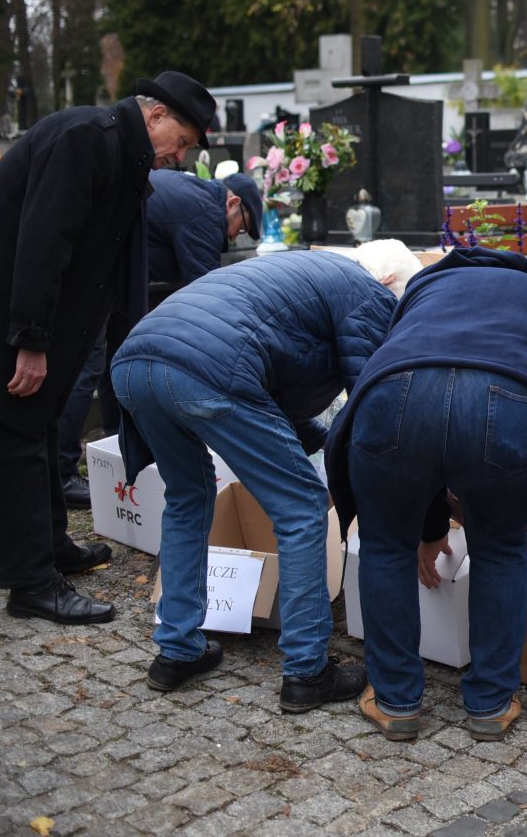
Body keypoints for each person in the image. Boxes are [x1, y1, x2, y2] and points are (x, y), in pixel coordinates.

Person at [0, 71, 218, 625]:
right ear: (156, 116)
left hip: (25, 309)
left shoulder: (122, 151)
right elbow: (43, 240)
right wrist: (31, 341)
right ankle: (30, 583)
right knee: (17, 432)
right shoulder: (88, 138)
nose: (181, 156)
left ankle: (50, 546)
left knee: (43, 423)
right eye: (183, 141)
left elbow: (112, 263)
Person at [110, 242, 417, 710]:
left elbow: (276, 393)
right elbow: (370, 402)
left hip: (135, 363)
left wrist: (320, 440)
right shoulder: (367, 292)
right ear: (389, 283)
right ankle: (307, 671)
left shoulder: (304, 272)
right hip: (207, 367)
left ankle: (176, 648)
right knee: (302, 507)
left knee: (188, 498)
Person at [324, 247, 527, 743]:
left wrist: (426, 530)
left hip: (393, 395)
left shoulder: (423, 288)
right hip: (508, 401)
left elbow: (423, 411)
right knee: (501, 548)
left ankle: (394, 702)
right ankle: (491, 704)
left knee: (385, 546)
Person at [56, 168, 265, 506]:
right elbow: (208, 296)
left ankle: (118, 449)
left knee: (116, 361)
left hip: (112, 273)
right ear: (233, 202)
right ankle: (61, 474)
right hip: (95, 271)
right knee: (88, 369)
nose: (235, 235)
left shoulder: (196, 195)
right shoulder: (204, 213)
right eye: (241, 225)